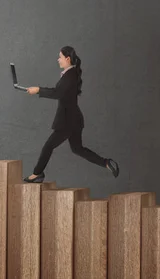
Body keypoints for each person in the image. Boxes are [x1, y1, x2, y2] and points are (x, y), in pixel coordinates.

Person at [23, 46, 119, 183]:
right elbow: (59, 92)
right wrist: (37, 90)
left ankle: (37, 173)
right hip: (74, 119)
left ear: (67, 59)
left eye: (60, 57)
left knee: (48, 146)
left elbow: (57, 93)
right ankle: (106, 163)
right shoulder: (71, 74)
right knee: (77, 149)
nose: (58, 60)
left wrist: (38, 90)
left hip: (68, 120)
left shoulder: (70, 75)